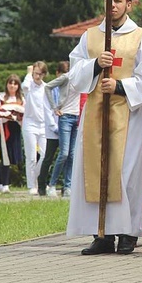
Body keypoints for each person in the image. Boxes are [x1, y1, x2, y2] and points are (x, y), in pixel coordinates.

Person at [67, 0, 142, 256]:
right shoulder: (91, 37)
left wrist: (120, 87)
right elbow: (75, 74)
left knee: (126, 173)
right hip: (96, 112)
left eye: (119, 1)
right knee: (97, 171)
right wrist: (96, 65)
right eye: (110, 0)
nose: (114, 5)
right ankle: (103, 233)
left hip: (128, 115)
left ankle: (129, 232)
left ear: (130, 5)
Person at [43, 61, 80, 198]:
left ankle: (67, 186)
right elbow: (48, 87)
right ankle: (52, 185)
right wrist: (54, 107)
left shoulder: (83, 79)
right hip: (65, 116)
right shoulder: (66, 77)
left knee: (72, 155)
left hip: (77, 117)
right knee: (63, 153)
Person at [0, 74, 24, 194]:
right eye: (10, 83)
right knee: (5, 156)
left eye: (15, 83)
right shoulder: (0, 98)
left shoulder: (21, 99)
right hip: (3, 129)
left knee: (11, 157)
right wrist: (7, 116)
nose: (12, 86)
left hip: (15, 128)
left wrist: (17, 118)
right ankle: (5, 184)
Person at [22, 61, 48, 195]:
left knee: (44, 155)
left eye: (40, 74)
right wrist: (28, 74)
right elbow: (24, 86)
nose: (37, 76)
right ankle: (32, 185)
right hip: (29, 124)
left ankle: (38, 179)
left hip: (43, 125)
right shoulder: (29, 85)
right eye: (35, 73)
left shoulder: (46, 87)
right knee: (31, 156)